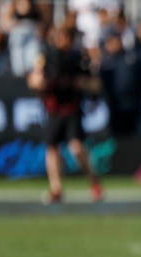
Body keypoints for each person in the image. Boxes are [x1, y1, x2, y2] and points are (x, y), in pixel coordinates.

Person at [27, 23, 104, 204]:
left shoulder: (78, 58)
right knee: (52, 148)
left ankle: (94, 181)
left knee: (76, 148)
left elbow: (95, 84)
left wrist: (81, 83)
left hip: (72, 108)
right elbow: (34, 79)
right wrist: (37, 83)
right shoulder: (46, 57)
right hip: (54, 109)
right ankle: (56, 188)